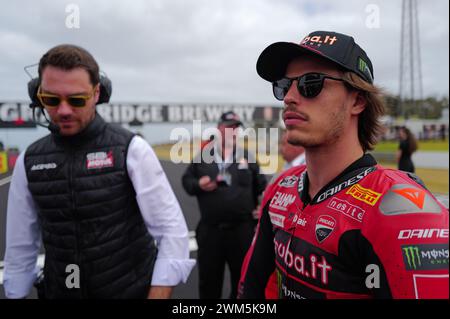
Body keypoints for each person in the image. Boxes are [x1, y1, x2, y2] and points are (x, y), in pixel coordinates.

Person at [239, 31, 448, 299]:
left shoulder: (405, 212)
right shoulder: (281, 187)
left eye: (310, 83)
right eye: (283, 84)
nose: (289, 97)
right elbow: (251, 289)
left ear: (358, 101)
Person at [3, 44, 195, 299]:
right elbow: (19, 249)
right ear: (37, 95)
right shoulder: (29, 160)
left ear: (96, 94)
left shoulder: (131, 149)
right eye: (50, 99)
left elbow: (172, 232)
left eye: (76, 99)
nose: (63, 110)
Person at [182, 111, 267, 299]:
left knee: (242, 284)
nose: (233, 131)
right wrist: (199, 184)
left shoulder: (248, 156)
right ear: (219, 129)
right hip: (211, 231)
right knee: (209, 283)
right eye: (229, 127)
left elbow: (261, 185)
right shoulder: (203, 156)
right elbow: (187, 181)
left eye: (236, 128)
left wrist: (261, 206)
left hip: (242, 231)